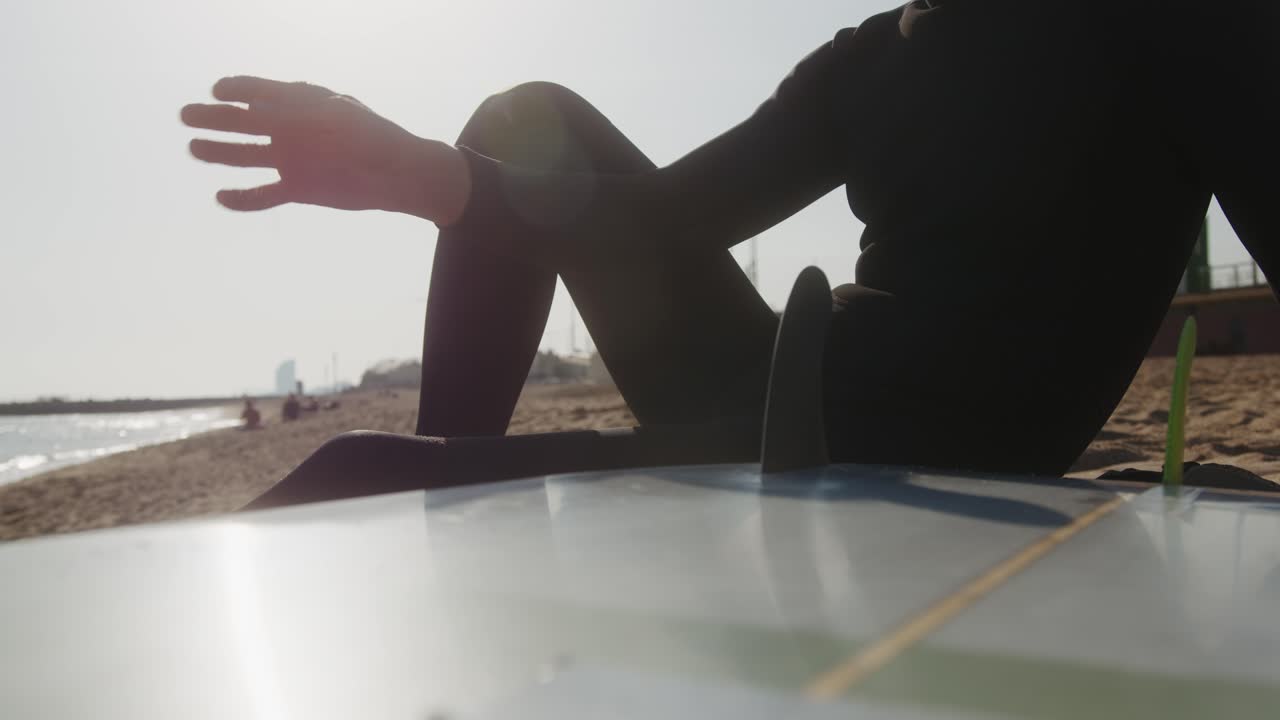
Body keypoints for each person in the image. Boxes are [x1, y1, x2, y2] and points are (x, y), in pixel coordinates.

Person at [181, 0, 1279, 509]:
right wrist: (433, 173)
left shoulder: (1174, 19)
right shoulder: (867, 56)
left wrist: (432, 181)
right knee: (523, 117)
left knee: (346, 471)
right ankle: (446, 505)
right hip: (782, 386)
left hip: (880, 443)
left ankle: (419, 502)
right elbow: (663, 224)